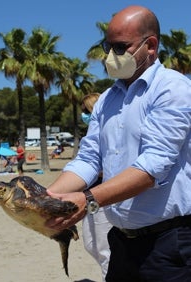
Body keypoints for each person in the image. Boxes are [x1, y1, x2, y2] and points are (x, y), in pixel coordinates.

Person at [46, 5, 191, 282]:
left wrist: (87, 200)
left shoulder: (173, 89)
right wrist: (46, 198)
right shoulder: (107, 99)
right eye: (107, 47)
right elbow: (89, 159)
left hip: (169, 244)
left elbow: (152, 167)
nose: (111, 56)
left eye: (121, 47)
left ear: (150, 45)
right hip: (122, 243)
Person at [81, 93, 112, 281]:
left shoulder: (108, 131)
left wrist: (95, 170)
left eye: (85, 110)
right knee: (90, 243)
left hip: (104, 195)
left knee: (105, 249)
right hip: (88, 196)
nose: (82, 114)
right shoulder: (91, 133)